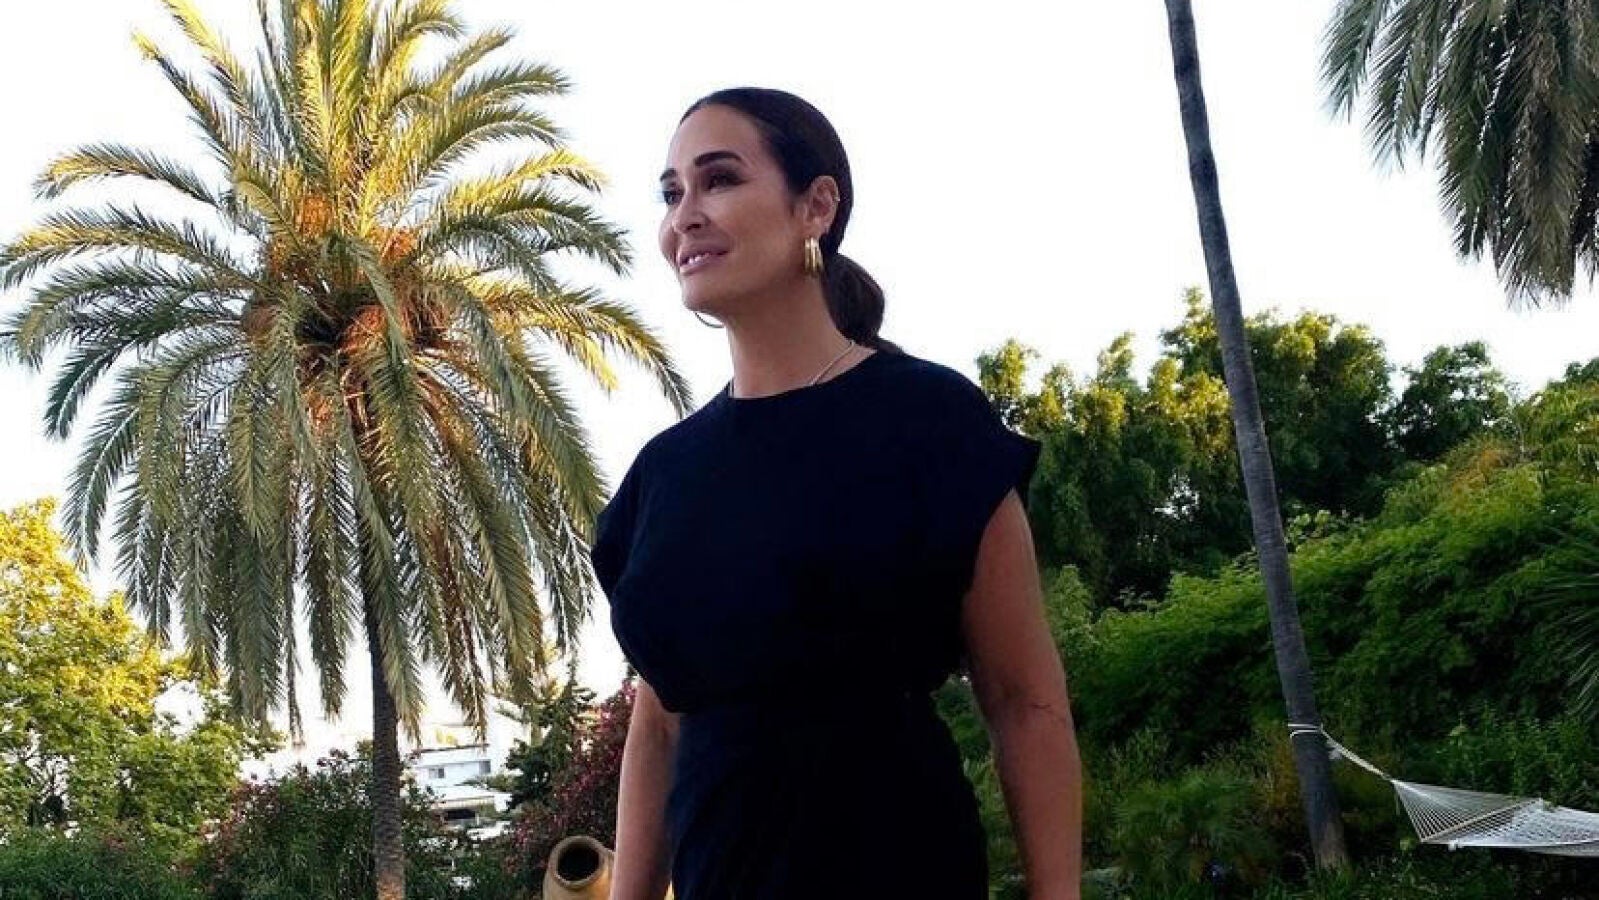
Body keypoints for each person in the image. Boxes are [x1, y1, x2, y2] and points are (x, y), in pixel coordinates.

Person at [591, 87, 1082, 900]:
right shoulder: (662, 476)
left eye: (719, 179)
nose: (685, 216)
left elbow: (1022, 698)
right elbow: (661, 725)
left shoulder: (928, 421)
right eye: (671, 193)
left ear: (815, 206)